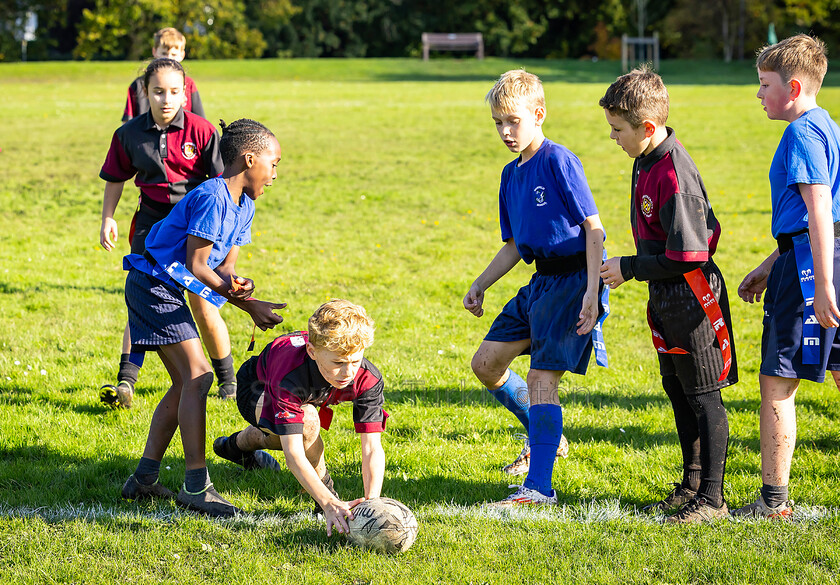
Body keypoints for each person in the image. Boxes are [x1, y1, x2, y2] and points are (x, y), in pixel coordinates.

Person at [119, 117, 286, 517]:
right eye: (274, 163)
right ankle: (197, 486)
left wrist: (242, 287)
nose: (276, 174)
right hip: (151, 285)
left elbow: (223, 268)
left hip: (167, 288)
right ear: (249, 159)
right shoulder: (213, 196)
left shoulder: (245, 205)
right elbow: (196, 265)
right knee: (198, 377)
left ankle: (143, 479)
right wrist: (249, 306)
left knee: (184, 383)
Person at [599, 68, 738, 524]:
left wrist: (629, 267)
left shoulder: (673, 172)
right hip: (665, 295)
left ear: (648, 128)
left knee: (704, 395)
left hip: (692, 297)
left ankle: (713, 500)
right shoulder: (646, 158)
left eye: (619, 130)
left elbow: (689, 255)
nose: (614, 138)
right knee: (677, 389)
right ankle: (692, 484)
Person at [464, 69, 607, 506]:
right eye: (498, 123)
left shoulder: (559, 160)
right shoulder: (510, 175)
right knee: (486, 364)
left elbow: (594, 229)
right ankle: (549, 437)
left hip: (573, 280)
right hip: (540, 280)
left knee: (542, 378)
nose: (506, 131)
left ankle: (538, 487)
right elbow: (514, 244)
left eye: (513, 120)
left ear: (538, 114)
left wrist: (590, 291)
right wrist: (481, 283)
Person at [734, 34, 840, 519]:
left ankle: (773, 501)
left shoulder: (799, 132)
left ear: (793, 87)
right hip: (818, 257)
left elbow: (818, 208)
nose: (758, 95)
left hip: (811, 269)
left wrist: (819, 284)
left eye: (764, 85)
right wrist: (768, 264)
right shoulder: (827, 125)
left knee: (777, 381)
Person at [99, 58, 238, 407]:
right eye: (158, 91)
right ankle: (126, 382)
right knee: (142, 296)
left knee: (202, 301)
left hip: (195, 224)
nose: (166, 99)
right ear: (145, 93)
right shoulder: (128, 134)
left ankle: (228, 380)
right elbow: (116, 178)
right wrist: (108, 218)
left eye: (174, 91)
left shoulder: (203, 131)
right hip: (151, 223)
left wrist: (227, 236)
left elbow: (223, 185)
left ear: (185, 94)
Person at [213, 299, 387, 535]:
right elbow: (293, 454)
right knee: (306, 421)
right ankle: (326, 495)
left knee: (292, 429)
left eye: (355, 361)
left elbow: (372, 449)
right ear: (312, 351)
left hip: (310, 395)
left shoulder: (367, 377)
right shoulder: (290, 373)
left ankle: (234, 446)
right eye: (338, 363)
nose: (348, 372)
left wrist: (371, 503)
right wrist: (328, 501)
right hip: (257, 389)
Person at [123, 27, 204, 122]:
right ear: (154, 52)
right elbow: (127, 122)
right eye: (164, 53)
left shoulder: (189, 84)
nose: (168, 59)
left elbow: (200, 120)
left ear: (182, 55)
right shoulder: (138, 84)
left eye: (173, 55)